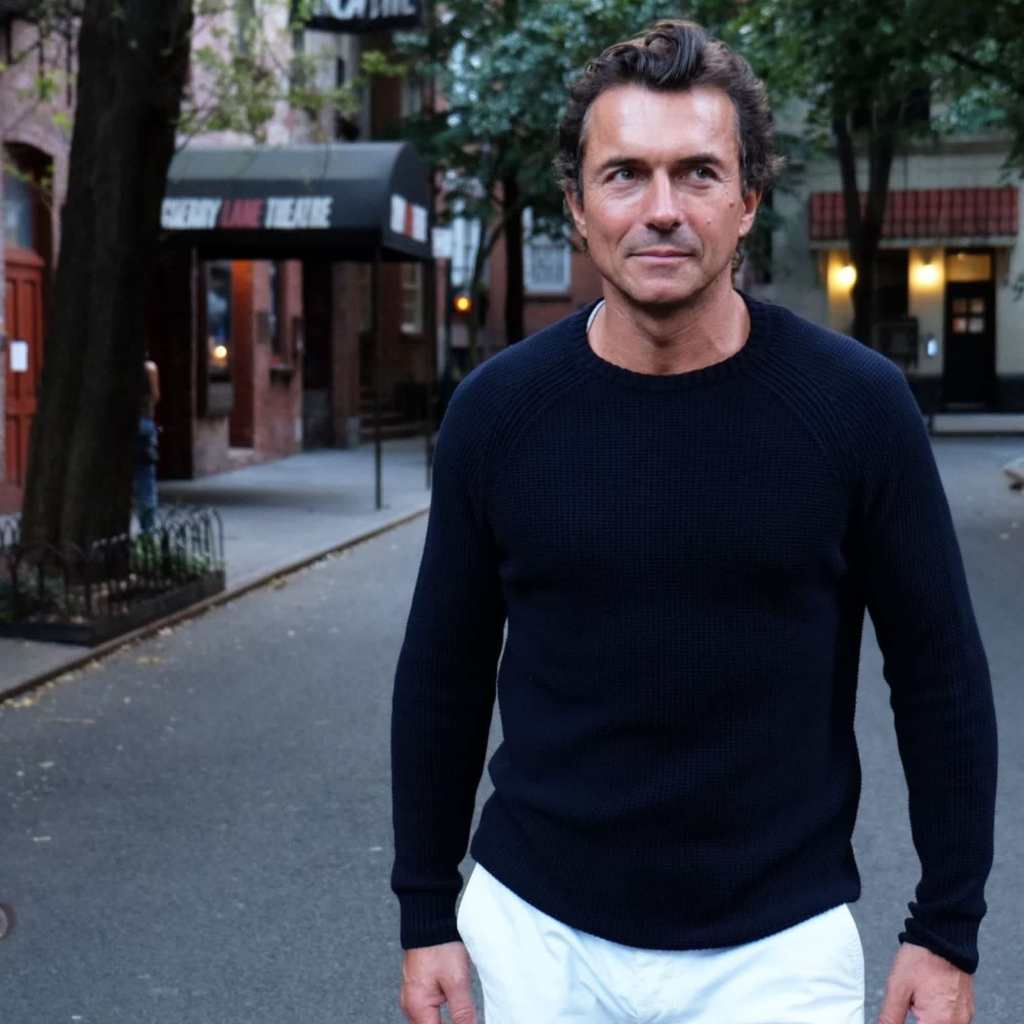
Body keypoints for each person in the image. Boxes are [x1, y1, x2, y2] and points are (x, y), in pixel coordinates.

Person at [390, 20, 997, 1024]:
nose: (662, 209)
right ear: (577, 204)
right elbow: (442, 674)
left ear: (748, 198)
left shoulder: (856, 407)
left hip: (778, 949)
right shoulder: (497, 414)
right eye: (625, 174)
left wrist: (945, 931)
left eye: (699, 173)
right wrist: (425, 911)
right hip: (537, 938)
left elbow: (941, 678)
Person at [134, 355, 160, 533]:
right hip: (144, 421)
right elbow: (155, 396)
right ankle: (147, 528)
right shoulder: (149, 368)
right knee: (145, 477)